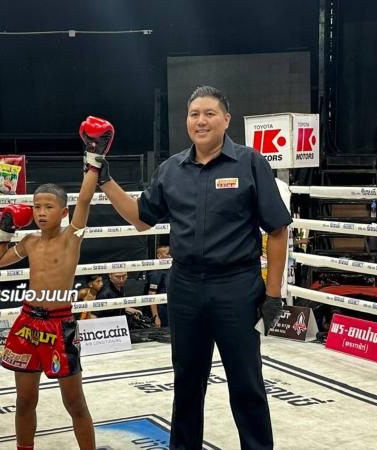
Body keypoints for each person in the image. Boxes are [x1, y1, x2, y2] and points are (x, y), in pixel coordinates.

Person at [97, 85, 291, 449]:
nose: (201, 121)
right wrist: (104, 179)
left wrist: (273, 293)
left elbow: (277, 229)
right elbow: (141, 219)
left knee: (246, 383)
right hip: (185, 286)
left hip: (236, 286)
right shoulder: (171, 170)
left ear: (226, 120)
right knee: (186, 382)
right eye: (194, 114)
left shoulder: (250, 163)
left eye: (209, 114)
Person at [0, 115, 114, 450]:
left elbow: (84, 199)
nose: (41, 212)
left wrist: (94, 159)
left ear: (62, 212)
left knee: (74, 402)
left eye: (48, 207)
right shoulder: (29, 241)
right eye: (36, 207)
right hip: (27, 322)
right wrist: (4, 230)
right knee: (25, 400)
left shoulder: (71, 238)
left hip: (60, 326)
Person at [146, 244, 171, 328]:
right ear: (159, 256)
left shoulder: (172, 269)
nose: (170, 256)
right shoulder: (156, 272)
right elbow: (152, 294)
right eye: (167, 254)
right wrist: (155, 316)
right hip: (162, 309)